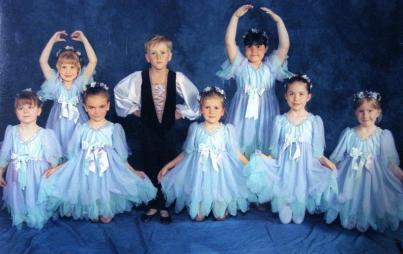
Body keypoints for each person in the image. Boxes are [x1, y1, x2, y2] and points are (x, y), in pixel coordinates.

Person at [39, 83, 156, 224]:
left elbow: (122, 157)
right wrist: (56, 169)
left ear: (108, 105)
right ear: (85, 107)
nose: (96, 111)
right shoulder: (81, 129)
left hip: (107, 169)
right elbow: (73, 155)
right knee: (90, 196)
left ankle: (106, 208)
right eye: (92, 107)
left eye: (101, 107)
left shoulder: (114, 128)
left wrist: (133, 171)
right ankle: (92, 207)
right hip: (85, 168)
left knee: (105, 195)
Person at [114, 35, 200, 224]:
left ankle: (164, 205)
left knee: (168, 162)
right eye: (154, 53)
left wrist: (181, 112)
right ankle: (152, 203)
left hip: (168, 129)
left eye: (162, 53)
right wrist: (135, 111)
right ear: (147, 57)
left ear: (169, 56)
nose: (158, 57)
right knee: (148, 161)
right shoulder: (140, 77)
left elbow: (194, 99)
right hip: (147, 128)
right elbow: (119, 92)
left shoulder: (176, 78)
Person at [245, 74, 338, 224]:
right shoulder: (280, 121)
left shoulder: (314, 121)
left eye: (301, 94)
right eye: (292, 94)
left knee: (301, 196)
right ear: (285, 96)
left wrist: (328, 163)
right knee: (284, 188)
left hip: (304, 167)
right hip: (284, 166)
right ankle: (285, 204)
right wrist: (264, 158)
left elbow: (317, 152)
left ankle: (299, 205)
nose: (296, 98)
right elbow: (274, 151)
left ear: (308, 97)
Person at [158, 86, 251, 221]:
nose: (211, 112)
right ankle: (202, 202)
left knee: (219, 217)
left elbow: (236, 154)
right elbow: (186, 153)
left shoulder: (227, 130)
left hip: (221, 177)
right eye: (207, 107)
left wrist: (251, 167)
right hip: (200, 176)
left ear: (223, 111)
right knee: (198, 217)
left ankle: (220, 204)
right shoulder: (195, 129)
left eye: (216, 108)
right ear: (201, 110)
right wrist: (169, 166)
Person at [217, 4, 292, 157]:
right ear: (244, 49)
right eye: (250, 47)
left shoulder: (271, 66)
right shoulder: (240, 65)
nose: (254, 51)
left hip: (267, 110)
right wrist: (235, 17)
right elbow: (229, 43)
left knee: (265, 141)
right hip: (242, 111)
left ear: (266, 49)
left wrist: (278, 22)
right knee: (240, 141)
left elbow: (284, 46)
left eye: (259, 47)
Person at [325, 91, 403, 232]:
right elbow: (337, 159)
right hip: (350, 177)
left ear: (378, 112)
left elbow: (390, 163)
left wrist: (400, 175)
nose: (366, 115)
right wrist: (327, 170)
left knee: (373, 197)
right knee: (349, 195)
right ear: (355, 113)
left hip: (374, 177)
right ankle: (351, 215)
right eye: (361, 111)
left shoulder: (383, 136)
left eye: (370, 111)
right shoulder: (349, 134)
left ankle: (367, 217)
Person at [0, 89, 62, 229]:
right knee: (18, 193)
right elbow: (5, 155)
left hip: (37, 173)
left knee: (34, 194)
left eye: (30, 107)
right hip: (16, 171)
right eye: (20, 108)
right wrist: (1, 170)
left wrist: (52, 170)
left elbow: (53, 159)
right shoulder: (12, 131)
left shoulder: (45, 134)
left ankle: (35, 212)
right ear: (16, 111)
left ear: (39, 111)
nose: (25, 111)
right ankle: (20, 212)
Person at [38, 30, 97, 156]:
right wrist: (52, 40)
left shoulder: (80, 83)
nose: (68, 71)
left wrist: (84, 39)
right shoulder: (55, 84)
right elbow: (43, 61)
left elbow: (93, 61)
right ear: (58, 69)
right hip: (57, 126)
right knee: (58, 153)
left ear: (78, 69)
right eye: (64, 67)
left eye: (72, 67)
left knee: (78, 152)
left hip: (78, 124)